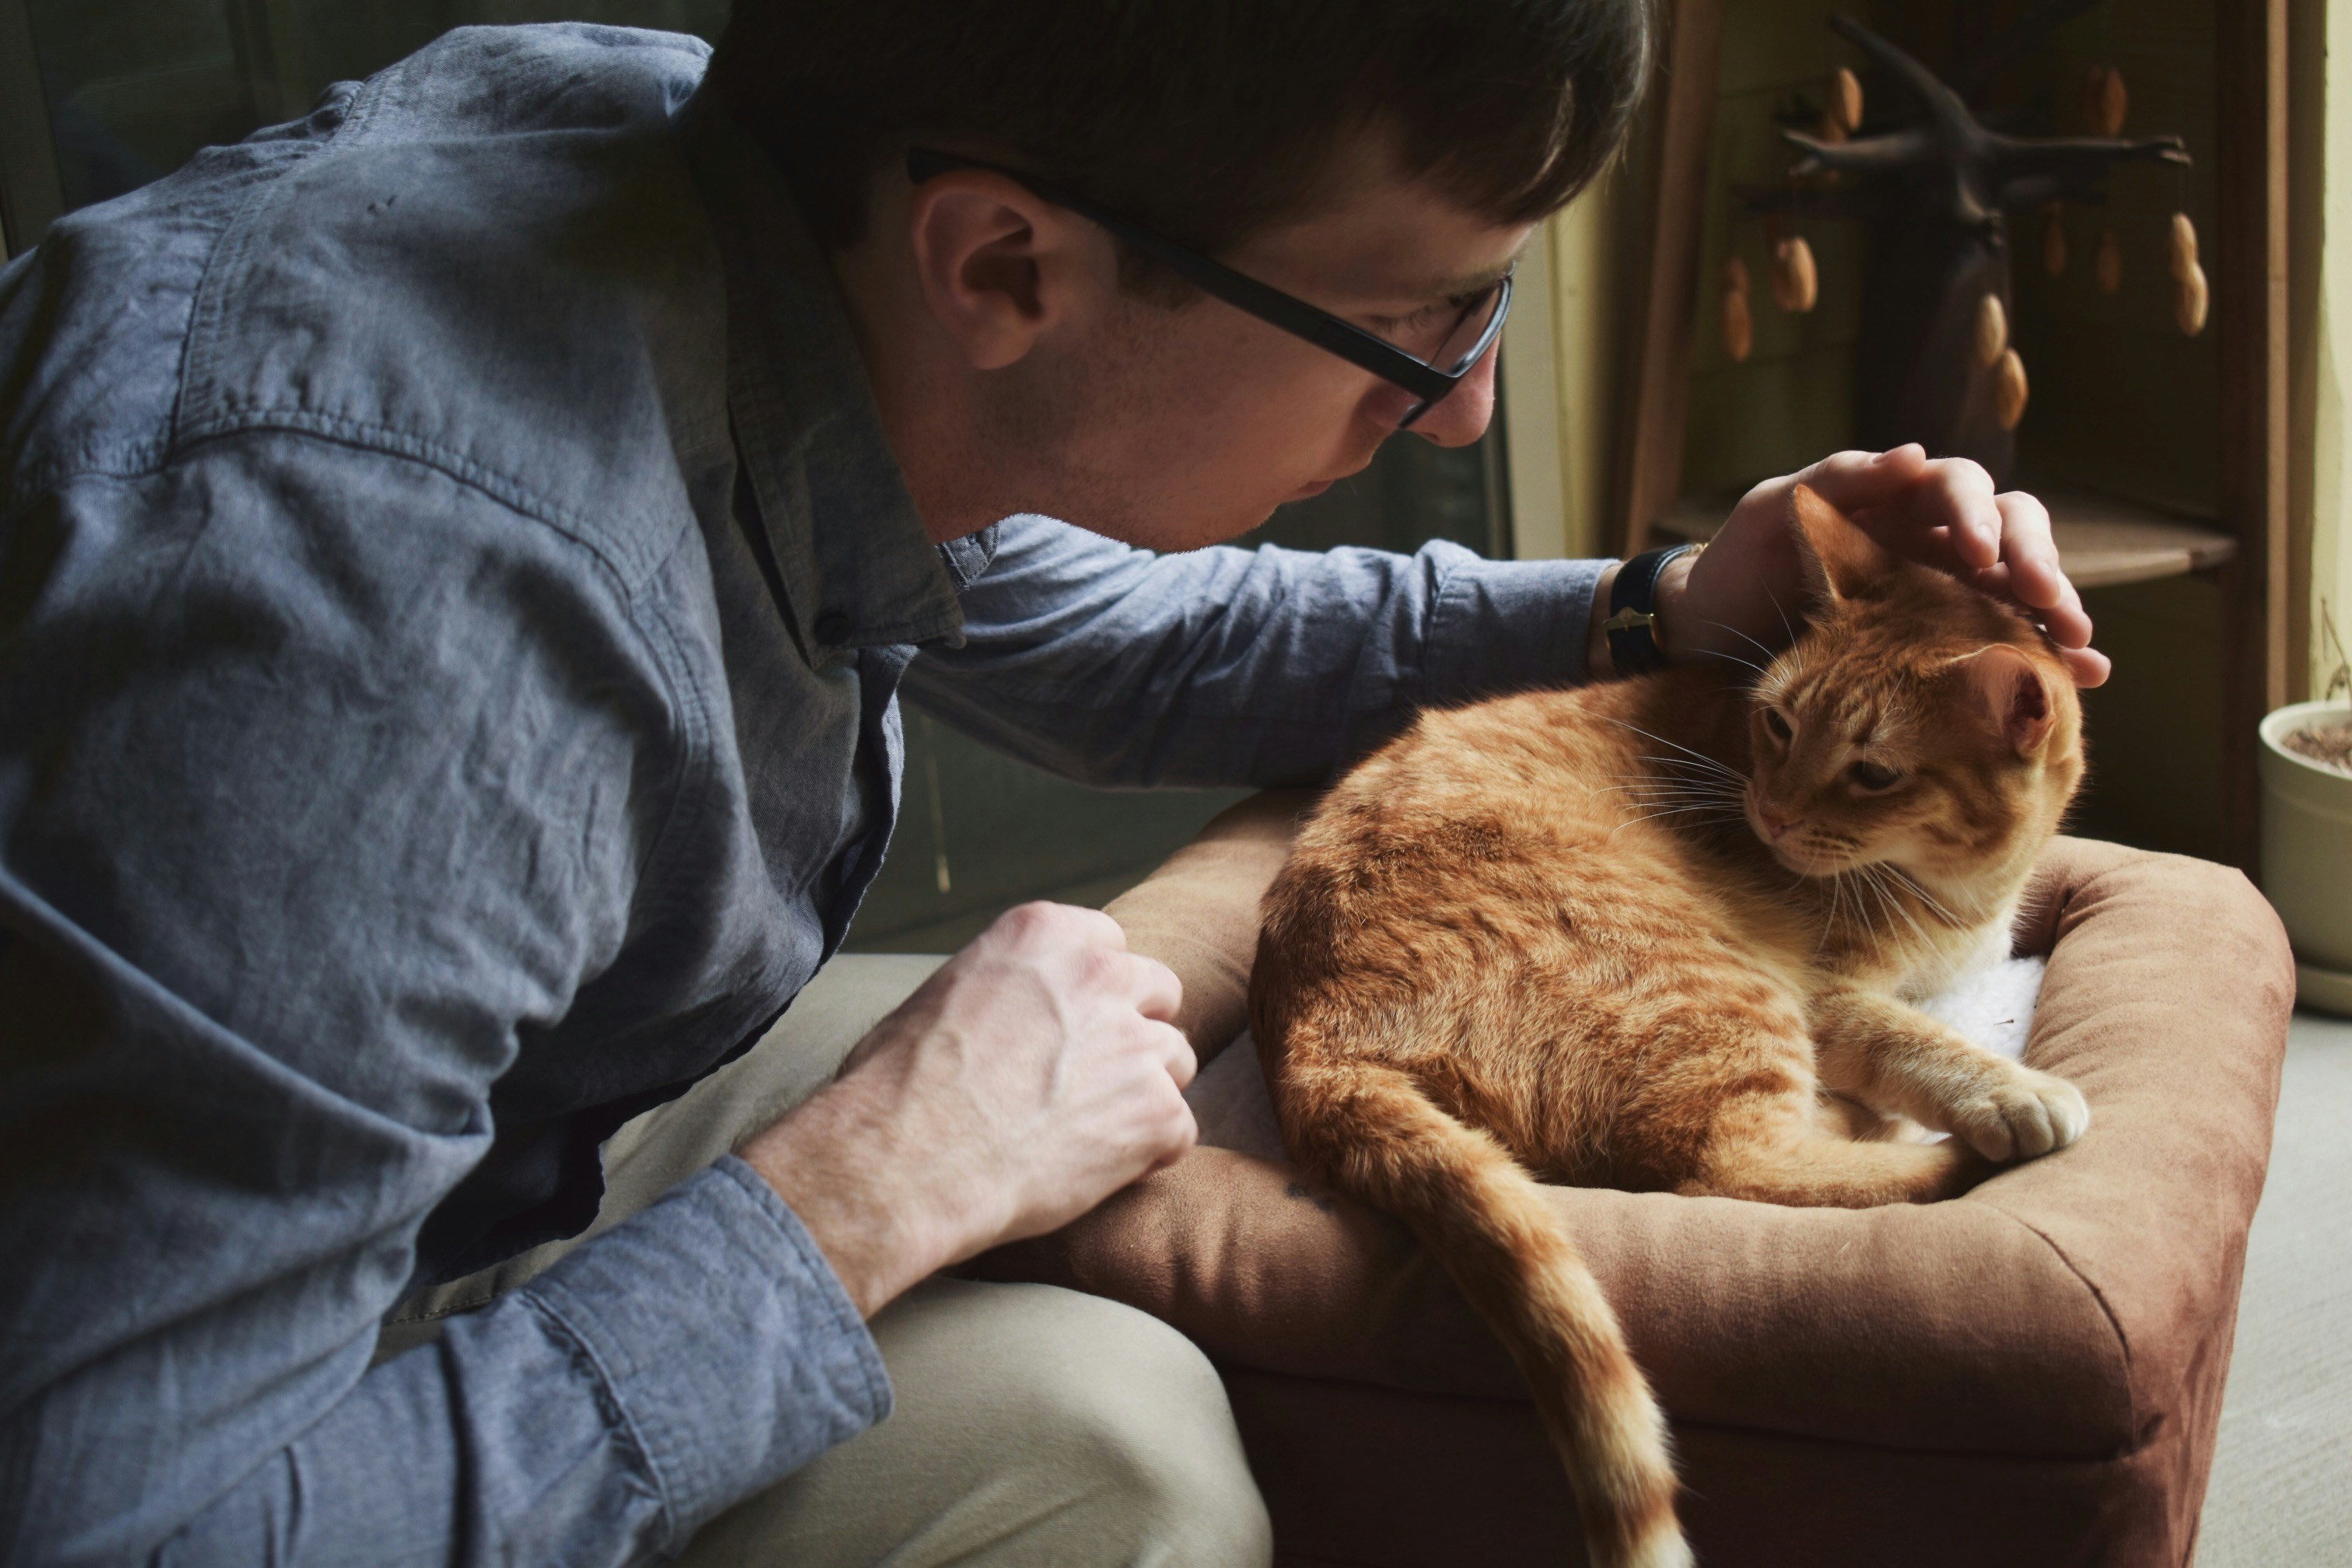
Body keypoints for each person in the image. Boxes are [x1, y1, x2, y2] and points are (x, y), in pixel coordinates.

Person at [0, 3, 2109, 1564]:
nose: (1464, 394)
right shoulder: (374, 657)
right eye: (1422, 313)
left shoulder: (734, 184)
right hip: (189, 1393)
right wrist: (855, 1202)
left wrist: (1666, 601)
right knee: (1116, 1457)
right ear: (1009, 266)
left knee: (1143, 1137)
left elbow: (1115, 640)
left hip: (457, 1118)